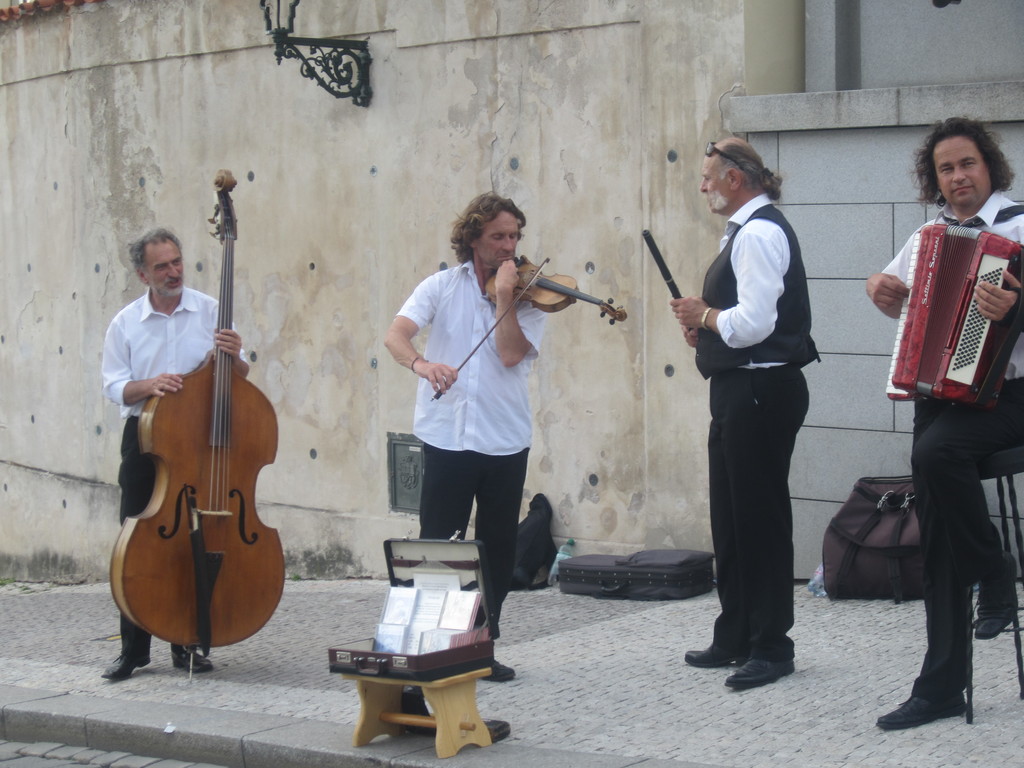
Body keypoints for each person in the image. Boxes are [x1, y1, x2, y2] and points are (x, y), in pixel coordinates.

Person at [867, 117, 1024, 730]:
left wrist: (1015, 304)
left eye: (967, 164)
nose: (958, 177)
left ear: (990, 167)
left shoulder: (1019, 227)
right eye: (946, 169)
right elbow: (897, 293)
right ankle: (939, 686)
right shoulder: (932, 235)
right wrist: (877, 288)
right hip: (945, 399)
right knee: (936, 545)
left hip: (1012, 398)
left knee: (935, 459)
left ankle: (997, 573)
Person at [671, 138, 818, 690]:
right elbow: (741, 325)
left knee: (758, 518)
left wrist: (705, 315)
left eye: (709, 176)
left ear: (736, 178)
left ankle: (772, 645)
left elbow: (754, 324)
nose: (704, 185)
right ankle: (734, 632)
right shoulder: (745, 232)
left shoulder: (757, 233)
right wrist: (705, 329)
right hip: (741, 387)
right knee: (731, 517)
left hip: (761, 388)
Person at [384, 192, 547, 682]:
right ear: (473, 237)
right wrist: (421, 363)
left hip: (504, 438)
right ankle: (434, 647)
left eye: (514, 235)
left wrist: (504, 296)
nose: (508, 245)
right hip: (448, 437)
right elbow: (396, 333)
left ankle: (481, 646)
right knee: (440, 544)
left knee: (496, 549)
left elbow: (512, 354)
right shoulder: (440, 285)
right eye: (498, 235)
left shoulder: (528, 293)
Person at [100, 227, 249, 681]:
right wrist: (151, 384)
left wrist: (237, 355)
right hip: (147, 440)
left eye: (177, 262)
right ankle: (133, 650)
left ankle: (188, 643)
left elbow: (240, 376)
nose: (173, 272)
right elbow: (114, 386)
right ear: (143, 273)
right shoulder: (126, 322)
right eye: (162, 266)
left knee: (194, 541)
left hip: (200, 442)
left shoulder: (210, 310)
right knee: (138, 544)